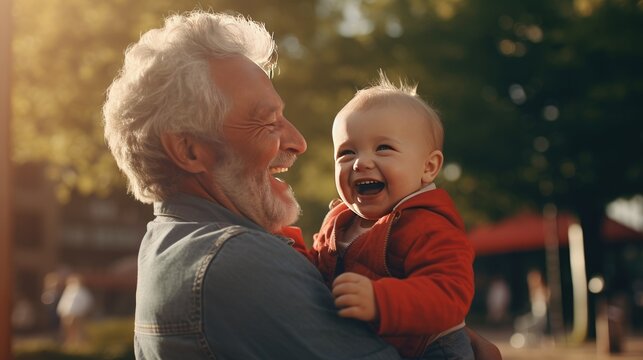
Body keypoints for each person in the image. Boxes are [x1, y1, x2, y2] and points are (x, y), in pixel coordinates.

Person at [102, 10, 501, 360]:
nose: (299, 142)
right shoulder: (237, 261)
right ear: (189, 151)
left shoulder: (167, 243)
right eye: (267, 121)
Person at [292, 73, 475, 359]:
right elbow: (314, 276)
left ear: (428, 167)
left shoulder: (429, 225)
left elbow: (450, 295)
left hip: (431, 349)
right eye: (347, 153)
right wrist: (286, 244)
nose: (361, 162)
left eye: (383, 148)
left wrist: (381, 300)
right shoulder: (338, 222)